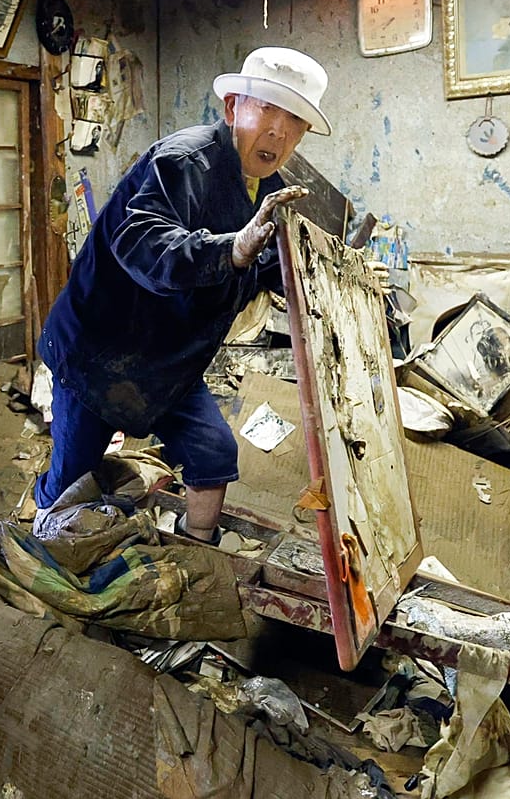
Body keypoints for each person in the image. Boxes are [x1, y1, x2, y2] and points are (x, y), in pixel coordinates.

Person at [34, 46, 332, 543]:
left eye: (295, 120)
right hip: (100, 352)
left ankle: (195, 557)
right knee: (73, 478)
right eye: (268, 110)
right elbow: (143, 245)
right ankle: (41, 554)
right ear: (233, 106)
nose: (279, 131)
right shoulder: (182, 161)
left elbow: (262, 266)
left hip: (170, 362)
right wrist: (233, 248)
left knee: (213, 453)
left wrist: (331, 282)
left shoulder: (270, 188)